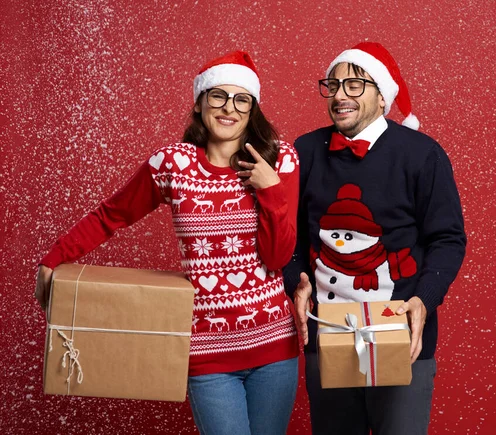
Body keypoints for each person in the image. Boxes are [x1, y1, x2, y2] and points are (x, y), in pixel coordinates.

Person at [35, 51, 300, 435]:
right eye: (217, 96)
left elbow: (276, 257)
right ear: (198, 102)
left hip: (273, 348)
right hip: (207, 353)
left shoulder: (280, 159)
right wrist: (54, 258)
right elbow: (113, 214)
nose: (229, 108)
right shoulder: (172, 164)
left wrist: (271, 190)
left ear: (253, 108)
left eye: (241, 99)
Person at [284, 42, 467, 435]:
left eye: (354, 85)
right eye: (333, 85)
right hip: (328, 332)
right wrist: (295, 280)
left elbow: (448, 238)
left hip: (399, 335)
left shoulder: (422, 154)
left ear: (382, 96)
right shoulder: (306, 151)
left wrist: (425, 298)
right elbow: (289, 236)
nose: (339, 95)